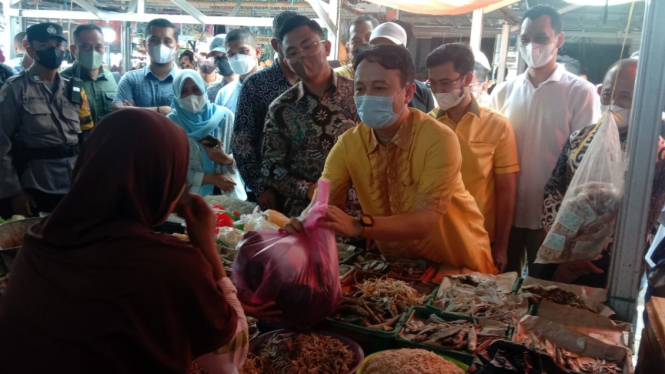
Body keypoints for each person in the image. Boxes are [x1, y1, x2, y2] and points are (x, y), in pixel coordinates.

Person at [0, 110, 250, 373]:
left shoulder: (39, 241)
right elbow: (228, 359)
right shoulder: (169, 265)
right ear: (157, 177)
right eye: (176, 172)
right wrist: (206, 248)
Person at [285, 45, 496, 273]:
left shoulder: (438, 138)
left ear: (408, 92)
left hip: (458, 265)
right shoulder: (349, 143)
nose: (367, 97)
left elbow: (425, 221)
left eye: (379, 87)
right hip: (402, 269)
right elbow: (323, 200)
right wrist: (305, 220)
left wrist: (358, 226)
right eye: (360, 88)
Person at [489, 4, 600, 277]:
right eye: (525, 39)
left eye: (541, 38)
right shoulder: (503, 92)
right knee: (498, 287)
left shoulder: (580, 93)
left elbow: (582, 164)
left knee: (543, 290)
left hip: (551, 220)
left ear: (558, 40)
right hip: (505, 215)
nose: (532, 46)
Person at [541, 59, 665, 287]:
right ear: (599, 92)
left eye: (625, 97)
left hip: (613, 263)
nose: (613, 103)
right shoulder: (579, 138)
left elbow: (645, 217)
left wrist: (591, 251)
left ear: (645, 99)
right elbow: (554, 189)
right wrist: (564, 244)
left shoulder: (654, 154)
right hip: (562, 254)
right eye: (608, 93)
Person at [427, 43, 519, 273]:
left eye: (445, 82)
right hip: (433, 238)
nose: (438, 90)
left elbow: (506, 190)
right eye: (433, 83)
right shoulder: (424, 125)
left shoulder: (497, 125)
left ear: (467, 79)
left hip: (479, 238)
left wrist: (502, 245)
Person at [260, 14, 358, 217]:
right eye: (292, 52)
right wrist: (309, 190)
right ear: (286, 60)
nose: (302, 55)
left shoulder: (360, 95)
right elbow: (271, 168)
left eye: (309, 45)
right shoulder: (280, 109)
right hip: (305, 217)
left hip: (358, 216)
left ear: (327, 47)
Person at [0, 22, 94, 219]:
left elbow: (87, 139)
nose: (53, 49)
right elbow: (2, 144)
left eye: (58, 44)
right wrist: (14, 192)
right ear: (29, 49)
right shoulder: (15, 89)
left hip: (74, 183)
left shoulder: (74, 89)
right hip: (35, 185)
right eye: (44, 44)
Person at [232, 11, 300, 207]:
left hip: (312, 192)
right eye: (290, 43)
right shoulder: (256, 85)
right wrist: (260, 187)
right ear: (276, 45)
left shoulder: (313, 82)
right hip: (272, 192)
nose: (298, 50)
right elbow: (242, 142)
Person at [167, 70, 242, 197]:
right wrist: (210, 178)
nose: (191, 96)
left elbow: (245, 158)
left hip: (229, 194)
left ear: (204, 88)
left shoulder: (225, 116)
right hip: (190, 198)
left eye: (196, 89)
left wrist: (226, 159)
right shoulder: (170, 124)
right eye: (184, 91)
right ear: (176, 95)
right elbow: (170, 170)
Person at [112, 18, 179, 115]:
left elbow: (190, 114)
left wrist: (135, 111)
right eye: (154, 40)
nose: (161, 45)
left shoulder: (186, 80)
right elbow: (117, 109)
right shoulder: (131, 79)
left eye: (167, 41)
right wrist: (159, 110)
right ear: (145, 44)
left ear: (176, 47)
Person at [369, 22, 435, 114]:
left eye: (390, 49)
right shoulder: (360, 91)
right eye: (376, 49)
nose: (382, 54)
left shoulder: (422, 92)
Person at [61, 24, 118, 126]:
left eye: (98, 47)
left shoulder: (115, 79)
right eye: (85, 46)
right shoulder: (62, 80)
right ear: (73, 49)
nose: (93, 52)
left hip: (110, 140)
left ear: (104, 49)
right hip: (79, 141)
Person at [214, 27, 261, 113]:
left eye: (243, 51)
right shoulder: (223, 95)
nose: (237, 57)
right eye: (231, 54)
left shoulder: (272, 88)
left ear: (257, 52)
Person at [334, 15, 379, 79]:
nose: (364, 44)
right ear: (348, 48)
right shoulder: (339, 77)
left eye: (369, 38)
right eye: (356, 41)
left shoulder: (390, 75)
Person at [206, 34, 238, 103]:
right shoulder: (211, 92)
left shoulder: (247, 86)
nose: (220, 60)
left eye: (224, 55)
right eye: (216, 56)